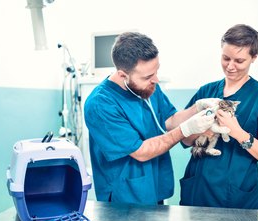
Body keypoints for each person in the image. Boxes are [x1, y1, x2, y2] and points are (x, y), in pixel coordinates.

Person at [84, 32, 215, 205]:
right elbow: (141, 152)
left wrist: (196, 108)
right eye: (147, 76)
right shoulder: (101, 104)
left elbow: (169, 120)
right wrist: (185, 130)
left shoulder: (147, 86)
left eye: (156, 71)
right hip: (125, 197)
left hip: (155, 186)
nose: (156, 79)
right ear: (123, 75)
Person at [179, 24, 258, 209]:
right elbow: (184, 141)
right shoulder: (206, 91)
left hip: (235, 198)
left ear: (254, 58)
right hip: (197, 192)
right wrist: (199, 129)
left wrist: (238, 133)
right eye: (226, 58)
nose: (230, 66)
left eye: (239, 61)